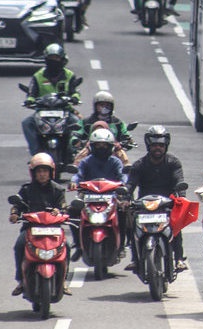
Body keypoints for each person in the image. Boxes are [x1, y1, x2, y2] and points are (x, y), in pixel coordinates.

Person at [126, 126, 188, 271]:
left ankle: (179, 259)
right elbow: (130, 184)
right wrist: (125, 195)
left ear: (166, 146)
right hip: (144, 205)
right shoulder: (139, 165)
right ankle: (135, 259)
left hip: (167, 203)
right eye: (154, 145)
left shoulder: (173, 162)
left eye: (161, 145)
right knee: (131, 223)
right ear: (149, 146)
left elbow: (179, 180)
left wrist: (181, 196)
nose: (157, 148)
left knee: (175, 226)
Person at [10, 153, 71, 296]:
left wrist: (59, 211)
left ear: (51, 172)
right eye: (39, 171)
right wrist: (14, 214)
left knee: (67, 246)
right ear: (34, 173)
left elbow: (63, 207)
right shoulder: (26, 189)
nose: (42, 174)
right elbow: (17, 205)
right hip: (31, 228)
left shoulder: (58, 189)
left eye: (45, 171)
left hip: (53, 229)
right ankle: (21, 280)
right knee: (19, 246)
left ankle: (63, 281)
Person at [21, 43, 82, 157]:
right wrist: (29, 100)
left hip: (64, 111)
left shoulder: (69, 75)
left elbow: (74, 91)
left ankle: (73, 152)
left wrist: (74, 98)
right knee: (27, 123)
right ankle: (36, 153)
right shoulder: (38, 76)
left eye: (56, 58)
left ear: (62, 60)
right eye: (51, 58)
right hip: (42, 111)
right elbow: (31, 93)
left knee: (77, 123)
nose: (54, 61)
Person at [72, 91, 130, 164]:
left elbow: (125, 134)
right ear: (96, 106)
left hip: (113, 150)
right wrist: (76, 140)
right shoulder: (86, 122)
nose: (104, 107)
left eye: (107, 105)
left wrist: (128, 140)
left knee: (122, 155)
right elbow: (77, 133)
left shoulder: (118, 123)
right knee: (79, 159)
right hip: (91, 149)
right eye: (101, 105)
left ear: (112, 107)